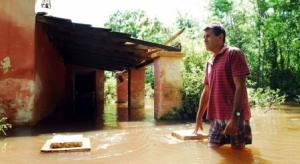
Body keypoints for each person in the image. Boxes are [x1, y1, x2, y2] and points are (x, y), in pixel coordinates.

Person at [194, 23, 252, 149]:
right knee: (212, 149)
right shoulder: (209, 62)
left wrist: (235, 118)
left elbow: (240, 87)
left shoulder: (233, 53)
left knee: (238, 156)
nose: (204, 39)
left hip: (236, 117)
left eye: (208, 36)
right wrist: (198, 117)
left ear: (220, 37)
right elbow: (207, 91)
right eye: (204, 36)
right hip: (217, 118)